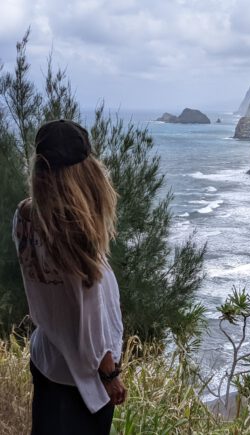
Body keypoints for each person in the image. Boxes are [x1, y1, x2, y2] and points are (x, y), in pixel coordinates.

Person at [12, 119, 127, 434]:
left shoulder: (23, 216)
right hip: (82, 378)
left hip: (47, 357)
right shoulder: (76, 236)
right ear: (83, 173)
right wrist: (108, 375)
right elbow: (89, 322)